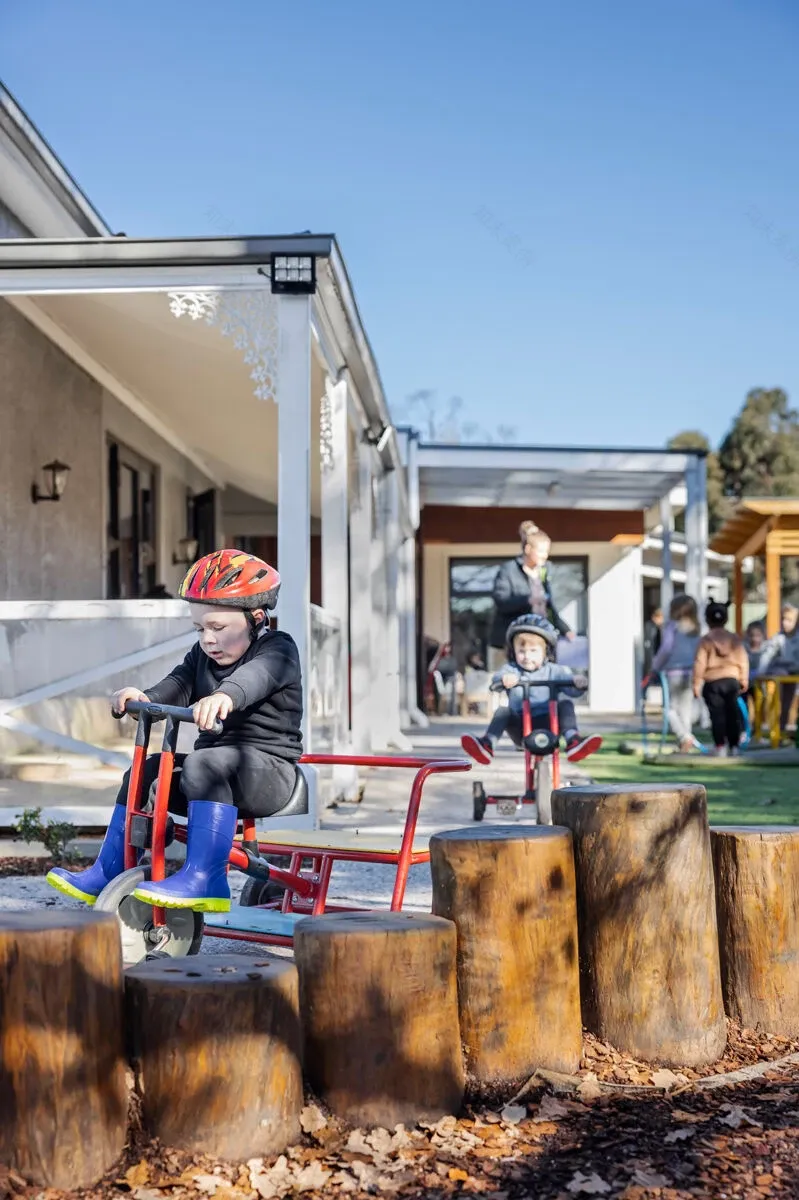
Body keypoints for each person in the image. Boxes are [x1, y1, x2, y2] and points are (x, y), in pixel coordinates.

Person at [47, 549, 303, 914]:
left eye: (218, 628)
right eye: (200, 629)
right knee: (146, 770)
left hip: (270, 774)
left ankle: (206, 878)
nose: (207, 639)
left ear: (255, 618)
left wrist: (223, 696)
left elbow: (256, 677)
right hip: (215, 776)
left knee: (203, 763)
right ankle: (109, 870)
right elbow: (178, 684)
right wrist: (144, 697)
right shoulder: (202, 657)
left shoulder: (278, 649)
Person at [460, 614, 601, 765]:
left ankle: (573, 741)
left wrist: (577, 682)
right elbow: (497, 680)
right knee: (503, 711)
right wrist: (504, 680)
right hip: (521, 728)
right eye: (521, 651)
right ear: (513, 652)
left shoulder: (555, 671)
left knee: (566, 705)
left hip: (551, 725)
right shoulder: (511, 669)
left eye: (533, 651)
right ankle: (487, 744)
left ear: (546, 651)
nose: (527, 656)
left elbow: (572, 689)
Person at [488, 522, 575, 672]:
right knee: (509, 683)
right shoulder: (509, 570)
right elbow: (501, 601)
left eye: (546, 551)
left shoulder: (544, 572)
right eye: (541, 551)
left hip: (538, 640)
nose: (545, 556)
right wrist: (527, 600)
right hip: (512, 642)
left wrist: (565, 629)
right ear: (528, 549)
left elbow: (549, 606)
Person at [692, 600, 749, 757]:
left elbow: (699, 663)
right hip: (732, 680)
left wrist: (696, 683)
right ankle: (734, 745)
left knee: (716, 715)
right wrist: (744, 679)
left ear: (707, 619)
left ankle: (720, 745)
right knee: (732, 713)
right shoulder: (734, 639)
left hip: (712, 682)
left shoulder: (706, 640)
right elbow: (743, 659)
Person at [648, 593, 701, 754]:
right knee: (685, 709)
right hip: (691, 672)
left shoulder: (672, 627)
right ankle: (685, 741)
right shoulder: (696, 628)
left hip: (674, 673)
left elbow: (666, 649)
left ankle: (684, 737)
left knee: (669, 710)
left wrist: (655, 667)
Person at [756, 602, 799, 736]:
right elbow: (767, 655)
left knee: (788, 702)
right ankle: (773, 728)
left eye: (789, 620)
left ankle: (782, 729)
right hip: (779, 673)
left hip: (794, 673)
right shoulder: (778, 638)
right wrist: (760, 672)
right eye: (783, 619)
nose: (785, 623)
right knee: (776, 701)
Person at [642, 606, 664, 678]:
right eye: (660, 618)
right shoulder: (649, 627)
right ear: (655, 617)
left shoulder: (660, 628)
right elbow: (649, 647)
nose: (662, 620)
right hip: (652, 663)